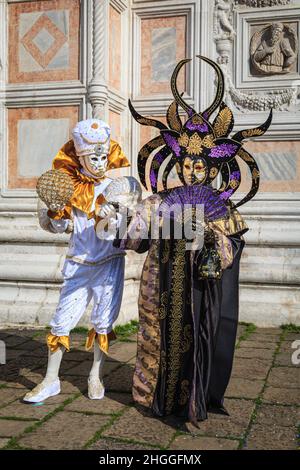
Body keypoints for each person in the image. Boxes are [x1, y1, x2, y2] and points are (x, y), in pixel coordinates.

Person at [114, 56, 272, 425]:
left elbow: (234, 248)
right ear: (176, 162)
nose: (192, 169)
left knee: (201, 345)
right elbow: (133, 241)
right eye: (186, 162)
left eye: (199, 164)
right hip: (164, 292)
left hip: (203, 293)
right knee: (165, 348)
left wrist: (214, 240)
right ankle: (163, 401)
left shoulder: (221, 206)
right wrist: (120, 218)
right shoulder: (160, 201)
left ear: (213, 168)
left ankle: (197, 401)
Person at [23, 119, 130, 403]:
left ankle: (95, 375)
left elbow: (123, 231)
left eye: (103, 156)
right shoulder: (66, 186)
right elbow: (62, 228)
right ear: (79, 156)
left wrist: (114, 215)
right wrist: (57, 213)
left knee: (103, 322)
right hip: (80, 263)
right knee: (61, 322)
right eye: (93, 157)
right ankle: (50, 380)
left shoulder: (117, 187)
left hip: (109, 262)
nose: (99, 162)